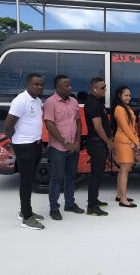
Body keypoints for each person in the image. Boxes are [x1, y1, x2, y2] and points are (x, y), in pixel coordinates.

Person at [4, 73, 45, 230]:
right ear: (28, 84)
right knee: (26, 182)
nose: (39, 87)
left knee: (30, 180)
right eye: (36, 84)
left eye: (41, 84)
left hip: (34, 144)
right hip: (24, 146)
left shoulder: (37, 100)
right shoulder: (21, 100)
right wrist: (16, 141)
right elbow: (8, 125)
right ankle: (27, 217)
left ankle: (25, 211)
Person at [43, 75, 84, 221]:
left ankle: (70, 204)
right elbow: (49, 125)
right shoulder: (50, 102)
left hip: (74, 146)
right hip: (58, 148)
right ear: (58, 87)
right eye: (66, 86)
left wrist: (78, 141)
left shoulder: (74, 101)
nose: (70, 88)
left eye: (70, 85)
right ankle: (54, 208)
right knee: (57, 178)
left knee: (71, 176)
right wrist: (65, 142)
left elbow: (78, 121)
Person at [84, 77, 113, 216]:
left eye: (105, 87)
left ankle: (94, 200)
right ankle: (92, 207)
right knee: (95, 175)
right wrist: (108, 142)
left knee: (99, 174)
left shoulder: (98, 102)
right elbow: (98, 126)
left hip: (99, 143)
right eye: (102, 88)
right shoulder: (92, 103)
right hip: (97, 143)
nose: (105, 90)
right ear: (94, 88)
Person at [112, 86, 140, 208]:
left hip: (127, 141)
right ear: (120, 96)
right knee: (125, 170)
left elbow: (132, 127)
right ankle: (123, 199)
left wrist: (135, 140)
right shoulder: (119, 109)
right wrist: (137, 142)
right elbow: (126, 128)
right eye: (125, 95)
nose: (128, 97)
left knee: (123, 170)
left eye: (129, 95)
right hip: (124, 141)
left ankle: (120, 195)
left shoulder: (125, 108)